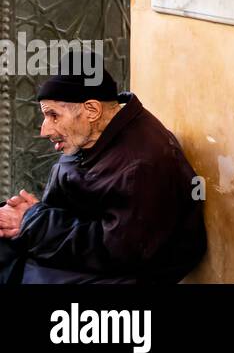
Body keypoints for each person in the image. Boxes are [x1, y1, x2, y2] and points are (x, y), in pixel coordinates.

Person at [0, 63, 207, 284]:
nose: (45, 130)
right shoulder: (97, 134)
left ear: (92, 110)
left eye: (54, 115)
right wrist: (29, 216)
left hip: (132, 272)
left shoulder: (138, 166)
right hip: (88, 246)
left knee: (23, 275)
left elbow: (119, 252)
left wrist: (34, 222)